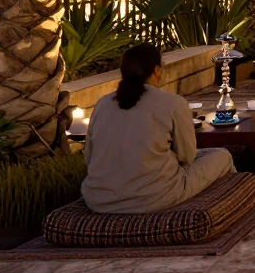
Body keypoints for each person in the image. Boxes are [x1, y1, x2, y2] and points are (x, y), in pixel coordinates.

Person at [81, 44, 236, 214]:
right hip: (154, 197)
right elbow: (187, 157)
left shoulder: (102, 104)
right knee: (223, 156)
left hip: (98, 200)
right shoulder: (172, 103)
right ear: (156, 70)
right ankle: (231, 209)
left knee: (207, 154)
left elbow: (89, 157)